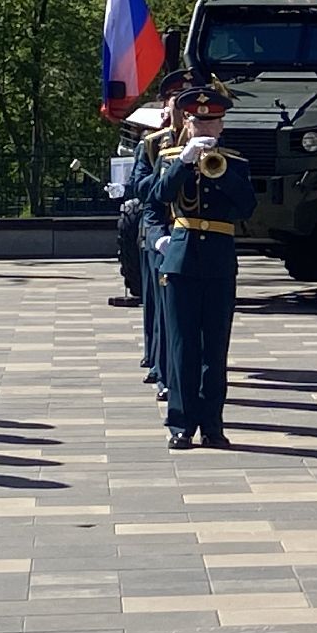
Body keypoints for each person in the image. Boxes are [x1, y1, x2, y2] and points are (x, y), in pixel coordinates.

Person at [146, 87, 257, 449]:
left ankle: (212, 424)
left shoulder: (236, 163)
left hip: (219, 261)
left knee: (215, 349)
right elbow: (158, 197)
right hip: (181, 259)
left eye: (212, 120)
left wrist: (219, 173)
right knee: (182, 346)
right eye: (199, 121)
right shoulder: (171, 158)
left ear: (222, 125)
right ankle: (180, 423)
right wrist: (183, 163)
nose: (206, 127)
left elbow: (246, 207)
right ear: (188, 124)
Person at [129, 68, 198, 394]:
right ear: (166, 106)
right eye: (176, 102)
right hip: (160, 232)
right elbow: (138, 186)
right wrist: (167, 179)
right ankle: (160, 367)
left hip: (193, 233)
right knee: (158, 304)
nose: (182, 110)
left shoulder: (205, 144)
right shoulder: (154, 144)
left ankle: (178, 369)